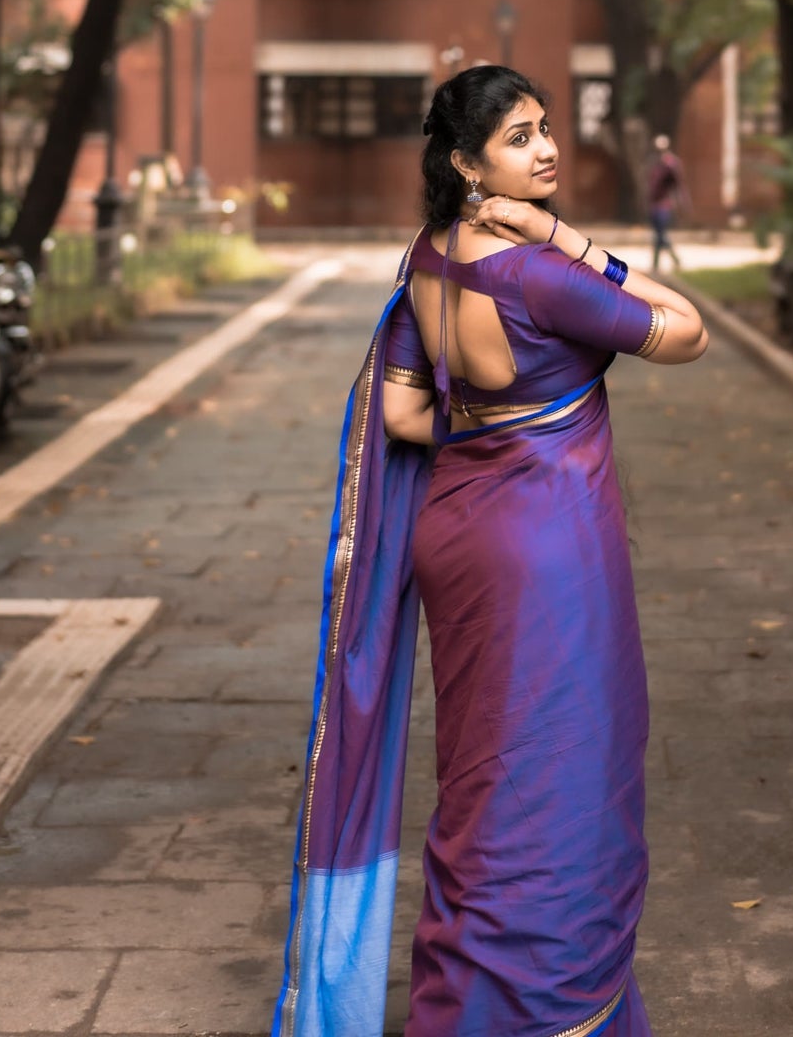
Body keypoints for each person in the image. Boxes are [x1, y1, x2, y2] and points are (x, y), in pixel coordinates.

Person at [273, 64, 706, 1037]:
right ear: (467, 160)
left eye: (544, 126)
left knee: (483, 769)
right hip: (547, 545)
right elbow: (686, 330)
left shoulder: (425, 258)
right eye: (518, 135)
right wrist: (569, 240)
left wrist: (491, 429)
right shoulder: (538, 271)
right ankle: (538, 1007)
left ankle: (463, 990)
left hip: (456, 531)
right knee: (566, 766)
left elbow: (398, 408)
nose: (545, 146)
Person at [645, 134, 687, 272]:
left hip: (664, 205)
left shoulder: (671, 164)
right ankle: (665, 262)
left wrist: (682, 203)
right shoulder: (654, 164)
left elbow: (678, 184)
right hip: (654, 205)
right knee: (658, 234)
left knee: (660, 234)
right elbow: (651, 185)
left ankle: (661, 263)